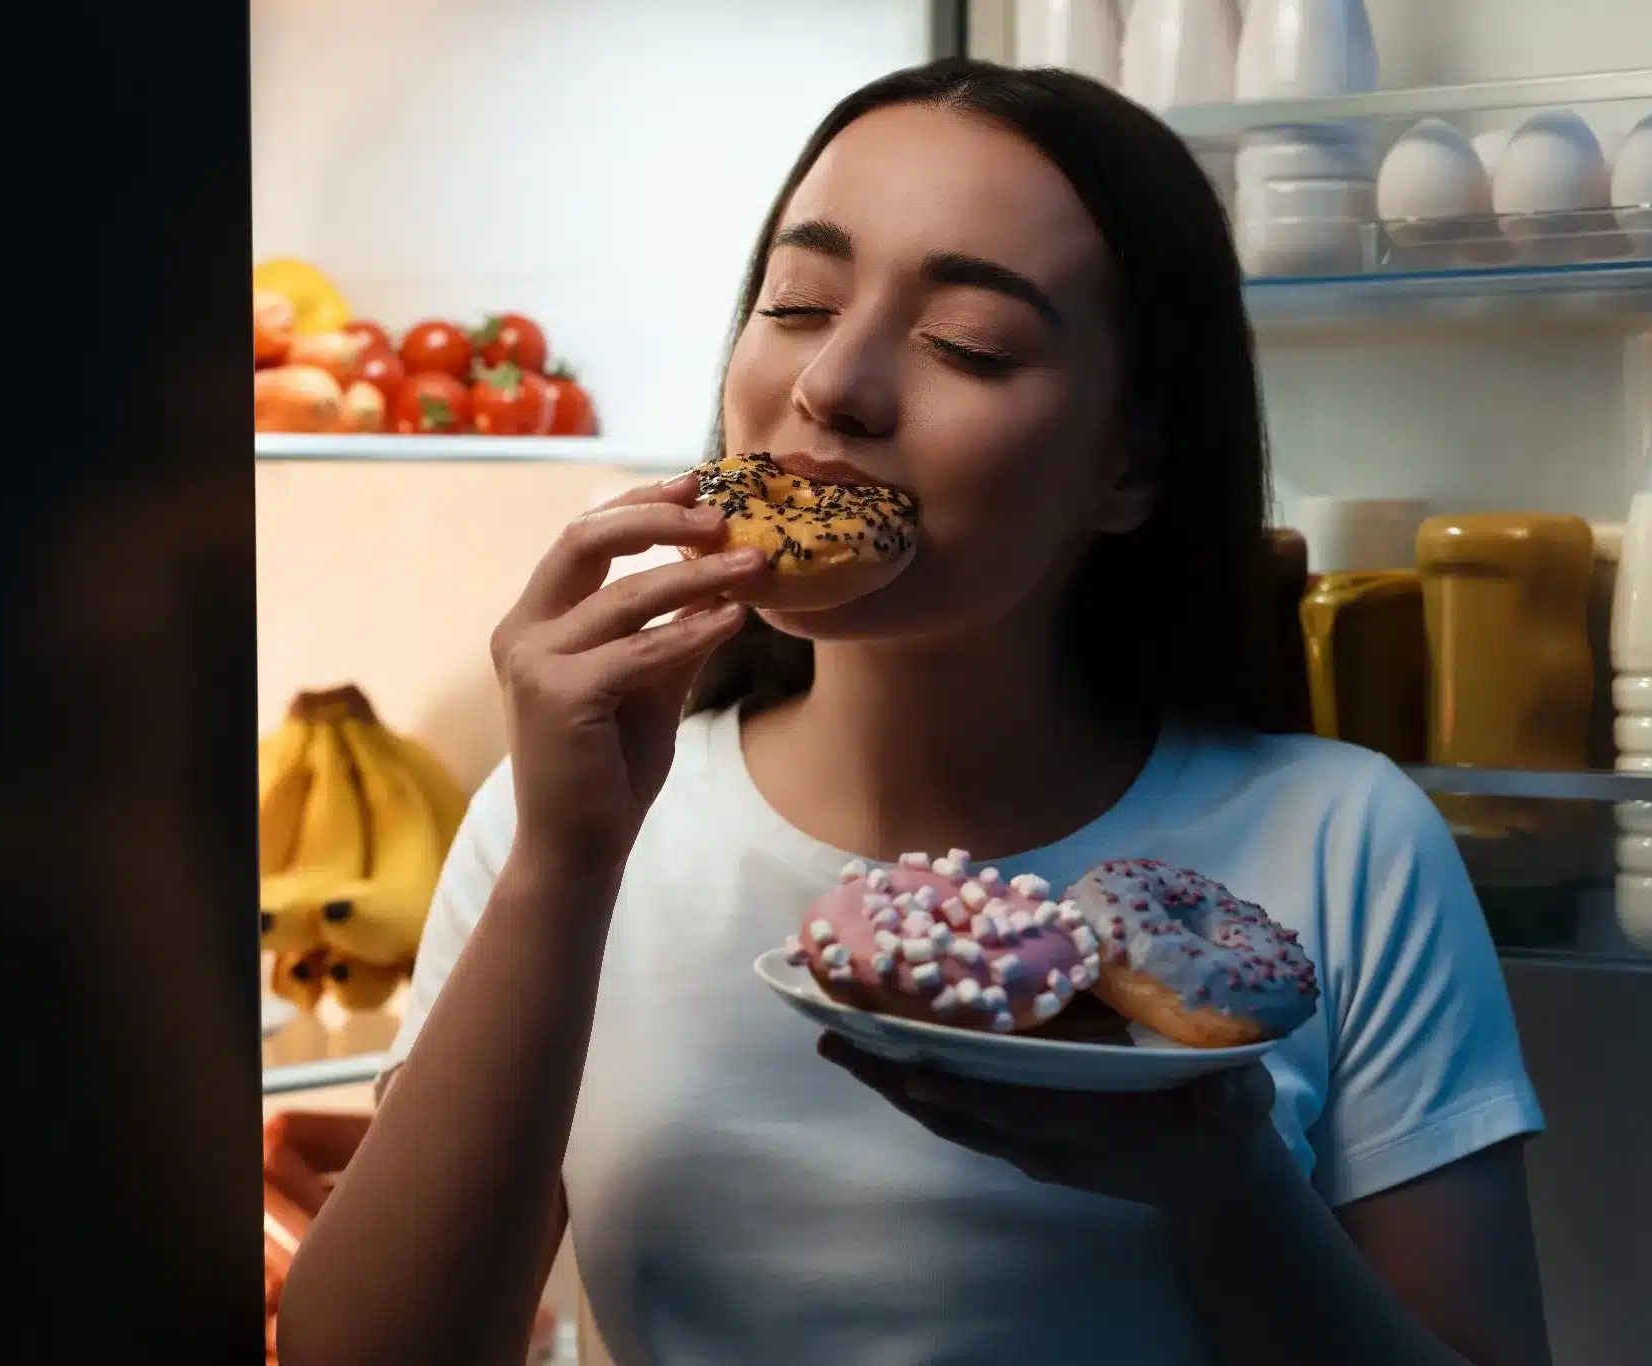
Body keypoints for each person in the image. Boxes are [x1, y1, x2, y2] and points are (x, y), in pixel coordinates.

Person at [278, 57, 1553, 1366]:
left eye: (969, 344)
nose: (835, 384)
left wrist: (1226, 1185)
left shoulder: (1340, 838)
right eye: (798, 301)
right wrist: (563, 860)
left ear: (1132, 464)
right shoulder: (570, 823)